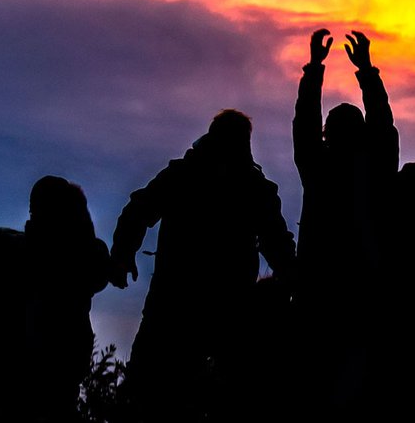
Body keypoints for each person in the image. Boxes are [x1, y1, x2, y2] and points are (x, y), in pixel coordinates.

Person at [110, 109, 296, 420]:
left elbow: (138, 211)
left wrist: (122, 254)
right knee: (236, 396)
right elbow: (276, 242)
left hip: (177, 300)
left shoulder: (183, 175)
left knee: (150, 394)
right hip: (224, 304)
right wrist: (291, 280)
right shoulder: (253, 186)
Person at [0, 176, 110, 421]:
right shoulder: (84, 259)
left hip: (5, 393)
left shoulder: (0, 245)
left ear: (33, 210)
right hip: (55, 397)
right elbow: (98, 265)